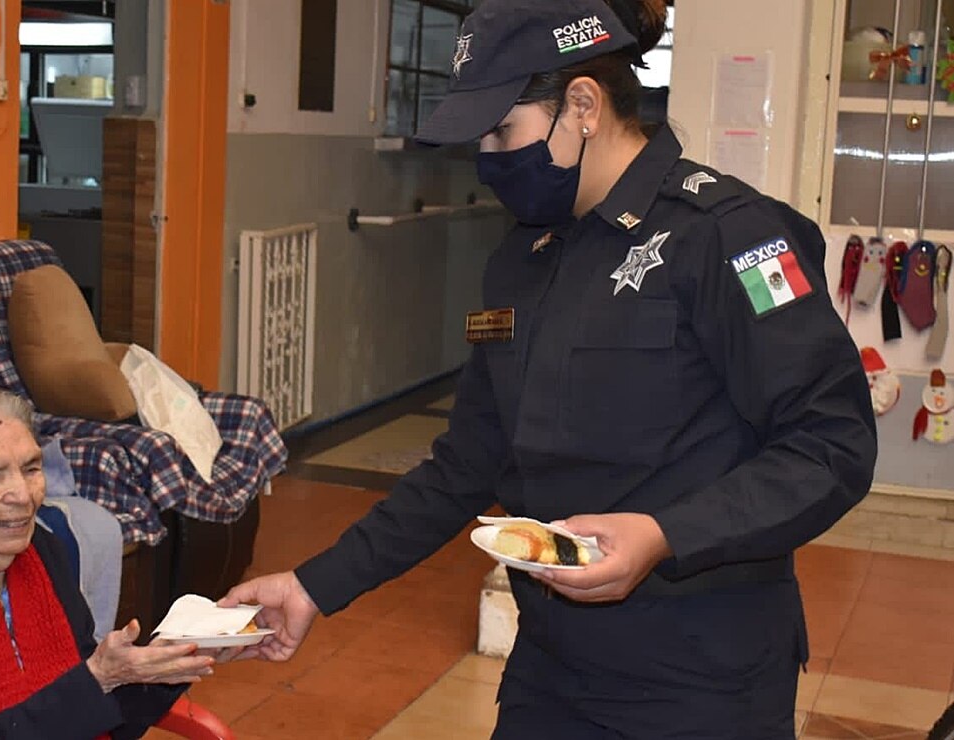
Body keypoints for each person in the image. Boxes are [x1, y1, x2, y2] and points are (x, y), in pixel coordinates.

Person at [220, 0, 878, 737]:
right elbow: (466, 465)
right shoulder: (522, 259)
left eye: (503, 130)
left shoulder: (730, 237)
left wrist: (663, 532)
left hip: (701, 677)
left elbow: (831, 445)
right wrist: (315, 584)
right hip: (551, 672)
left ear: (583, 106)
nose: (489, 157)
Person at [0, 388, 215, 739]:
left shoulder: (42, 551)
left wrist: (163, 668)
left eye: (31, 468)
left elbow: (103, 715)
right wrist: (99, 679)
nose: (22, 495)